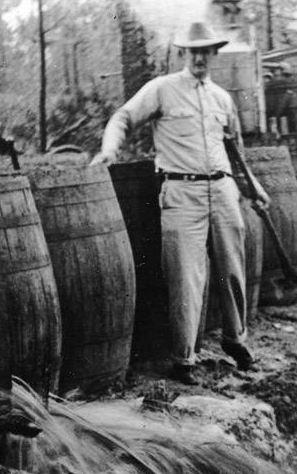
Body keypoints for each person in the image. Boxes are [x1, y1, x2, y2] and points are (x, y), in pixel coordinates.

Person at [91, 21, 268, 386]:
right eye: (193, 51)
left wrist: (253, 187)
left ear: (214, 54)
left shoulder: (222, 98)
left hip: (222, 191)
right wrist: (109, 149)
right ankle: (184, 358)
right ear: (183, 54)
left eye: (206, 51)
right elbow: (122, 117)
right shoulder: (161, 89)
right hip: (181, 193)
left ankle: (236, 341)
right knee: (186, 275)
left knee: (233, 269)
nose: (200, 58)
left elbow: (234, 150)